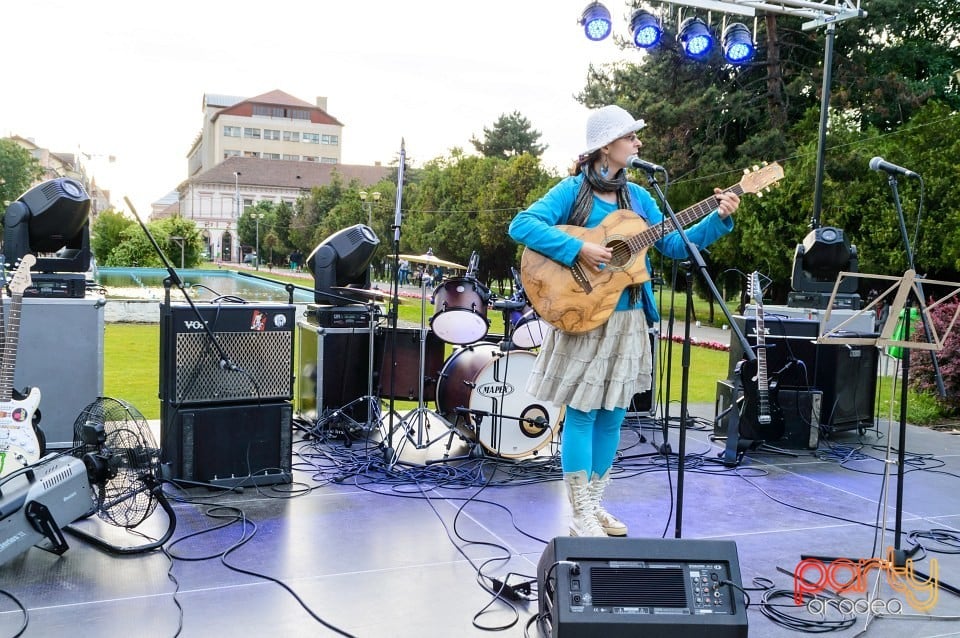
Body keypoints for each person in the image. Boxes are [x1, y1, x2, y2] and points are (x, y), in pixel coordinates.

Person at [508, 104, 741, 538]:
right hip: (584, 316)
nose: (638, 143)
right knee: (581, 414)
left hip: (629, 316)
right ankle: (578, 514)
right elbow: (522, 225)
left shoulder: (640, 198)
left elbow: (674, 243)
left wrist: (719, 217)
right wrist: (577, 250)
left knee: (614, 415)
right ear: (606, 147)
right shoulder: (570, 192)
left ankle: (595, 505)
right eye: (631, 137)